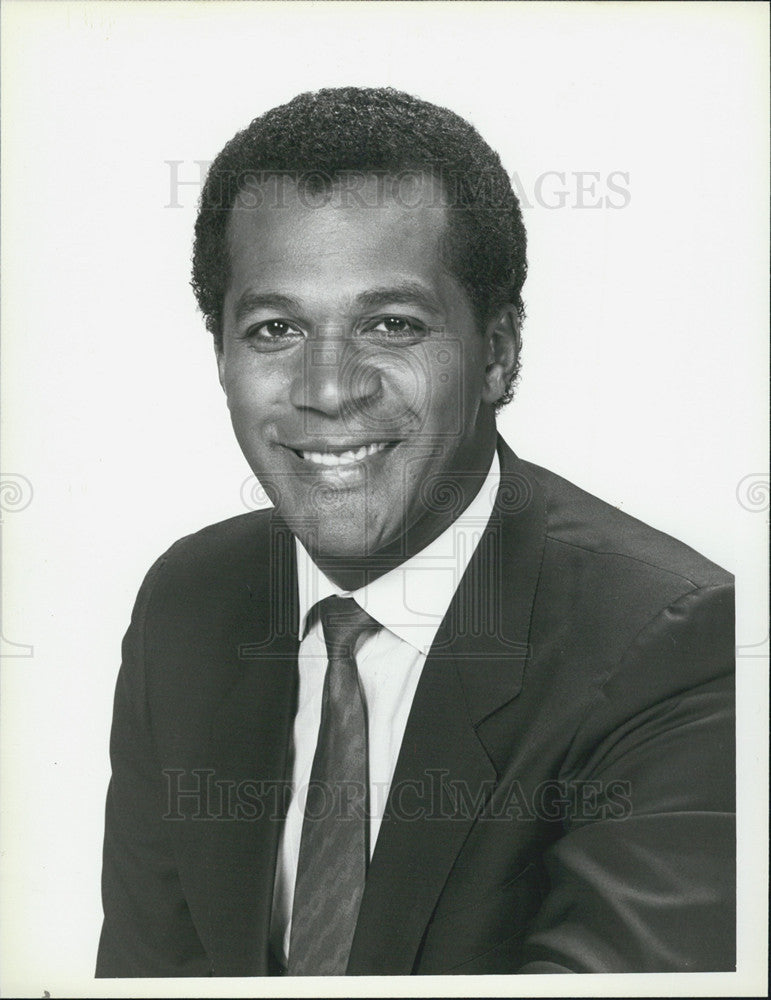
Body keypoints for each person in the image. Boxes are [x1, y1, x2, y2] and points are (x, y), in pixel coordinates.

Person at [96, 86, 735, 977]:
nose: (328, 388)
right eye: (275, 328)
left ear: (499, 352)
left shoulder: (673, 645)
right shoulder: (189, 602)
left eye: (390, 326)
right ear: (222, 358)